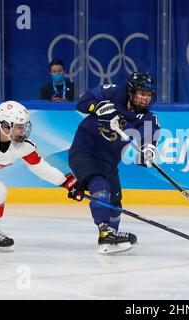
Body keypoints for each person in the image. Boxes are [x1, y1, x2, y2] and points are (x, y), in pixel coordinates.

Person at [0, 101, 84, 251]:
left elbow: (39, 166)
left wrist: (66, 182)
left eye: (24, 126)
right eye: (19, 127)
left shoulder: (22, 146)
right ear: (6, 126)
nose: (23, 131)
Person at [69, 72, 160, 254]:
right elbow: (82, 104)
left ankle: (111, 237)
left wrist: (147, 154)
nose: (145, 99)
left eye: (148, 95)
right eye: (141, 94)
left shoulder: (149, 119)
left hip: (109, 161)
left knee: (115, 201)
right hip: (84, 151)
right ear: (131, 92)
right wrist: (97, 107)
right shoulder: (111, 93)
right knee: (100, 186)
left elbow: (147, 144)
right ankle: (104, 231)